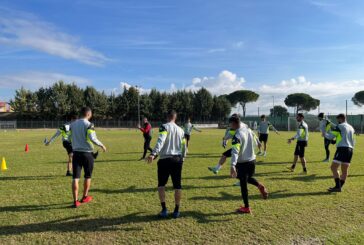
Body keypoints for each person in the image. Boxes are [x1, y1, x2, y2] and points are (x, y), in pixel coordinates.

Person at [147, 110, 186, 219]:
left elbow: (161, 140)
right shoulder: (181, 130)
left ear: (167, 117)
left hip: (165, 160)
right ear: (175, 117)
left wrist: (153, 153)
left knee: (161, 185)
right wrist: (183, 158)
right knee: (177, 186)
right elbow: (184, 147)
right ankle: (177, 210)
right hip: (177, 160)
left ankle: (164, 209)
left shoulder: (164, 127)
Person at [229, 115, 268, 214]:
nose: (230, 127)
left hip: (243, 163)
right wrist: (258, 142)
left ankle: (246, 207)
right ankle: (259, 186)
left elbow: (235, 151)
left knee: (243, 185)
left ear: (234, 123)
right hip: (252, 160)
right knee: (245, 178)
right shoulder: (247, 128)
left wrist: (232, 165)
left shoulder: (237, 136)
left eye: (231, 124)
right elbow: (254, 135)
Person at [70, 107, 107, 208]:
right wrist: (101, 145)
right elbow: (92, 138)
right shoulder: (89, 125)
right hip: (87, 154)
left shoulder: (72, 124)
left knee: (75, 178)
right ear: (88, 114)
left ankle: (75, 201)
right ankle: (85, 196)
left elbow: (69, 137)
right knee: (87, 176)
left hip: (76, 153)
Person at [325, 114, 355, 192]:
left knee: (333, 167)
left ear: (341, 118)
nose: (337, 121)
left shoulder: (340, 126)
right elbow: (349, 139)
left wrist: (324, 133)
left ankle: (338, 186)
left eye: (338, 119)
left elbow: (330, 136)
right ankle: (339, 187)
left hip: (342, 149)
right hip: (350, 149)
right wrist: (335, 141)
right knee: (344, 170)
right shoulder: (351, 128)